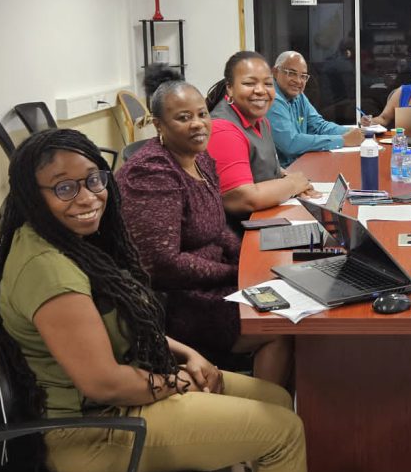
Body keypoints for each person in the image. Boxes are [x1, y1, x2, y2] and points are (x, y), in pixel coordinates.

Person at [0, 128, 367, 472]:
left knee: (273, 397)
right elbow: (102, 383)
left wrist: (185, 354)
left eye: (94, 180)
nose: (86, 198)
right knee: (282, 433)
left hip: (125, 393)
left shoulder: (70, 242)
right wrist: (173, 384)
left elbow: (117, 315)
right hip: (90, 431)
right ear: (29, 196)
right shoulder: (46, 270)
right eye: (63, 187)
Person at [115, 65, 292, 388]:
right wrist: (234, 275)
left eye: (201, 114)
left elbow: (217, 225)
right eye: (183, 118)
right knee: (278, 327)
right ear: (159, 125)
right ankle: (271, 416)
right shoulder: (152, 173)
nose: (198, 124)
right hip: (178, 302)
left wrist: (247, 264)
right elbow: (162, 264)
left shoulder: (200, 159)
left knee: (287, 296)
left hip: (212, 282)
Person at [205, 51, 320, 218]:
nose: (260, 91)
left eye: (267, 84)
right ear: (230, 88)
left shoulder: (260, 120)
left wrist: (292, 179)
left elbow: (264, 164)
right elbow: (243, 198)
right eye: (249, 83)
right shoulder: (223, 129)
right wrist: (292, 185)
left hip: (268, 215)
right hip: (241, 233)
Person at [267, 50, 364, 168]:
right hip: (283, 173)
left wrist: (353, 133)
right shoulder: (272, 98)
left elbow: (319, 126)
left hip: (301, 163)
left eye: (303, 76)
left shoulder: (298, 95)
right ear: (275, 72)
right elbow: (291, 143)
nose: (298, 81)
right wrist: (342, 140)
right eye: (291, 73)